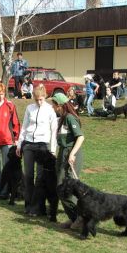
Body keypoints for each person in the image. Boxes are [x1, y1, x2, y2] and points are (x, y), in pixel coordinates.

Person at [16, 84, 57, 216]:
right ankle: (28, 205)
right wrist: (19, 144)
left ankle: (38, 207)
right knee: (28, 176)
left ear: (45, 97)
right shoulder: (29, 108)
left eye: (41, 99)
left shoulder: (50, 109)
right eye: (37, 99)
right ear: (34, 97)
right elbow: (24, 126)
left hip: (43, 145)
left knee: (40, 178)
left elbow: (53, 129)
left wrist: (52, 149)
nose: (39, 101)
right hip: (28, 144)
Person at [51, 93, 85, 229]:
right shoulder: (62, 119)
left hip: (71, 154)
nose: (52, 107)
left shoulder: (70, 118)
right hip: (62, 153)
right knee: (60, 187)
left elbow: (81, 137)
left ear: (59, 105)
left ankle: (80, 218)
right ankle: (74, 217)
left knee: (68, 189)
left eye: (53, 104)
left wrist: (72, 154)